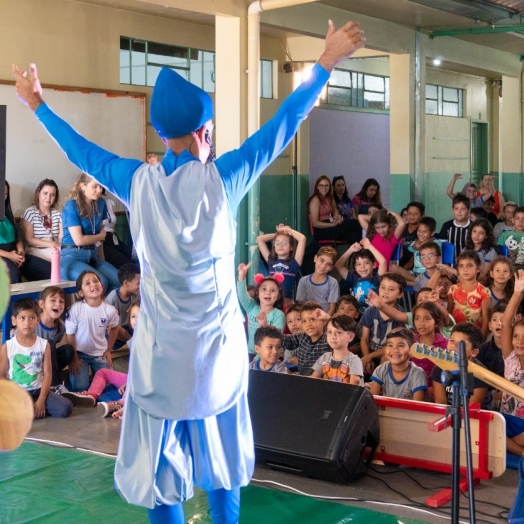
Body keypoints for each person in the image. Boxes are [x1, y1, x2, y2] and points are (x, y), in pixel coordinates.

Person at [13, 20, 366, 522]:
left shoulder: (135, 181)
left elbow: (81, 151)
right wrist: (326, 60)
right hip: (216, 354)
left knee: (162, 474)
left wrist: (37, 104)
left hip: (159, 356)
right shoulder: (225, 177)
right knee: (222, 469)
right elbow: (284, 122)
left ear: (161, 134)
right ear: (206, 132)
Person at [63, 299, 141, 418]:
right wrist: (129, 380)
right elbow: (135, 367)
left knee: (136, 388)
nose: (136, 320)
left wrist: (132, 382)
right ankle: (92, 396)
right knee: (102, 373)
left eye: (141, 316)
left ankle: (120, 404)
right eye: (133, 316)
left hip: (146, 382)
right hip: (133, 378)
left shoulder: (152, 340)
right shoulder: (134, 339)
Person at [0, 297, 72, 418]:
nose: (27, 323)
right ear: (14, 320)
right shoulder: (7, 346)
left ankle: (35, 408)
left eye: (31, 318)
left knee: (65, 408)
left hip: (39, 390)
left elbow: (48, 374)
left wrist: (41, 400)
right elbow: (2, 376)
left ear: (38, 320)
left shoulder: (44, 345)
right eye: (22, 318)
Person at [60, 174, 120, 292]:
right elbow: (79, 240)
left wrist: (102, 261)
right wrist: (100, 236)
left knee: (118, 280)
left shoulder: (101, 203)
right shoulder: (71, 205)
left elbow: (100, 240)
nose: (99, 190)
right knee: (101, 282)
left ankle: (108, 310)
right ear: (83, 186)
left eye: (101, 187)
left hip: (92, 254)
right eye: (95, 187)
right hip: (72, 256)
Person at [65, 270, 120, 391]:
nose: (93, 284)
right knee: (80, 387)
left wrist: (108, 350)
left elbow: (115, 328)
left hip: (100, 353)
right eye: (87, 283)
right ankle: (89, 376)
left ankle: (95, 375)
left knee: (108, 386)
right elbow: (70, 335)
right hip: (80, 354)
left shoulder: (110, 310)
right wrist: (74, 357)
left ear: (102, 286)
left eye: (96, 281)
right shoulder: (75, 309)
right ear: (81, 293)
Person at [431, 323, 490, 409]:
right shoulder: (439, 369)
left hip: (474, 419)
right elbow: (441, 404)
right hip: (448, 417)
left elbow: (471, 410)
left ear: (473, 352)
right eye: (451, 341)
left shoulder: (479, 375)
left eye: (461, 344)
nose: (454, 346)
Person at [359, 272, 406, 374]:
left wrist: (369, 356)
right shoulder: (370, 311)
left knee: (386, 359)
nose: (386, 292)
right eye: (383, 287)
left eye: (391, 289)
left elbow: (394, 346)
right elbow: (364, 339)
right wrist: (367, 358)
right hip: (369, 352)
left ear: (400, 294)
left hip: (388, 354)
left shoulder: (401, 315)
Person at [237, 263, 285, 361]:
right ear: (258, 293)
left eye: (273, 290)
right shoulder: (251, 307)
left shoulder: (279, 315)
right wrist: (242, 276)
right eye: (264, 289)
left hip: (270, 356)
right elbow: (242, 295)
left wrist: (264, 325)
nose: (268, 292)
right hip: (250, 353)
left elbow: (275, 339)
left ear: (278, 296)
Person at [500, 270, 524, 455]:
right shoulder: (511, 358)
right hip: (508, 421)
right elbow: (506, 323)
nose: (519, 341)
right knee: (492, 424)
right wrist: (517, 294)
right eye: (516, 337)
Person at [20, 178, 63, 281]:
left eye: (52, 195)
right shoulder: (30, 212)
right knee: (59, 266)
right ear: (38, 193)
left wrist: (56, 244)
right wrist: (52, 244)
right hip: (36, 250)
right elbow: (29, 240)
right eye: (45, 193)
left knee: (69, 261)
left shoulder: (58, 214)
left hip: (56, 248)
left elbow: (62, 236)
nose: (48, 197)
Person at [35, 286, 74, 393]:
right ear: (42, 304)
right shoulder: (32, 322)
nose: (58, 304)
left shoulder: (60, 326)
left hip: (47, 363)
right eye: (53, 300)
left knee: (68, 350)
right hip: (32, 362)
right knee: (48, 344)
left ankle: (50, 377)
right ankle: (55, 384)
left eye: (61, 301)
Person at [369, 328, 427, 401]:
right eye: (390, 345)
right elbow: (371, 401)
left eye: (401, 345)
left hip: (410, 412)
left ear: (411, 351)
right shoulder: (381, 369)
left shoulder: (417, 374)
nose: (395, 350)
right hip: (385, 411)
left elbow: (417, 407)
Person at [256, 223, 305, 303]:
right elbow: (260, 239)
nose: (280, 246)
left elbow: (302, 238)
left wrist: (288, 230)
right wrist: (278, 233)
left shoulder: (295, 262)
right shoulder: (271, 260)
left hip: (286, 302)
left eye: (284, 243)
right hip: (271, 303)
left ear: (291, 247)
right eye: (277, 243)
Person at [448, 250, 491, 338]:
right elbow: (449, 314)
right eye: (461, 266)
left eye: (469, 266)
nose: (465, 270)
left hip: (475, 336)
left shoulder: (484, 291)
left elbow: (486, 319)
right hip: (456, 333)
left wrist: (481, 340)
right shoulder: (453, 289)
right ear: (458, 270)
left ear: (478, 269)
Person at [336, 238, 386, 312]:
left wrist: (370, 247)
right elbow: (338, 266)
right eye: (358, 264)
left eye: (366, 263)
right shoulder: (353, 279)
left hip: (373, 318)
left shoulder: (377, 280)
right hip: (356, 317)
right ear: (355, 267)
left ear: (374, 265)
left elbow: (383, 262)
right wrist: (350, 250)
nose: (362, 267)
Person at [311, 314, 363, 385]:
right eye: (329, 332)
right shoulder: (324, 357)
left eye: (339, 332)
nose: (333, 336)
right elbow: (312, 381)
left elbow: (354, 388)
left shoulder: (354, 361)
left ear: (351, 337)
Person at [307, 175, 361, 245]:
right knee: (355, 222)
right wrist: (332, 225)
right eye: (321, 186)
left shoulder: (329, 198)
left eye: (327, 186)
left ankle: (355, 255)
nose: (324, 188)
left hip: (332, 225)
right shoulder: (315, 200)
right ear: (317, 187)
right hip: (321, 230)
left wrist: (338, 219)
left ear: (330, 187)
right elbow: (315, 223)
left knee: (354, 235)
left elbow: (335, 214)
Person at [281, 302, 331, 376]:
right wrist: (266, 327)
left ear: (322, 321)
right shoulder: (302, 336)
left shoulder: (328, 338)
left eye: (312, 319)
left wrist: (327, 317)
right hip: (303, 379)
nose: (308, 324)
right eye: (304, 321)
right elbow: (288, 341)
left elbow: (340, 328)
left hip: (321, 381)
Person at [391, 216, 441, 287]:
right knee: (392, 268)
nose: (420, 234)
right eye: (419, 231)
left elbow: (423, 246)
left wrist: (431, 238)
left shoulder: (437, 242)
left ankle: (415, 283)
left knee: (399, 282)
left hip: (429, 273)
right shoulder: (416, 242)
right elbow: (416, 247)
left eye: (424, 232)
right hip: (415, 273)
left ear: (432, 233)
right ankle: (419, 282)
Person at [296, 246, 339, 315]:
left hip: (325, 320)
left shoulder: (333, 283)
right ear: (315, 258)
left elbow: (332, 309)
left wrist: (324, 321)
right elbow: (301, 306)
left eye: (328, 264)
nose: (323, 266)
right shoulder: (303, 281)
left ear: (331, 267)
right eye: (322, 261)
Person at [105, 262, 140, 347]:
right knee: (115, 328)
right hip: (116, 333)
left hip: (130, 328)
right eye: (138, 283)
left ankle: (133, 342)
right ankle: (133, 343)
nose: (141, 286)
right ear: (126, 283)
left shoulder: (135, 295)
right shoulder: (112, 298)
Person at [101, 188, 135, 269]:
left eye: (100, 187)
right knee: (128, 266)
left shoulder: (106, 202)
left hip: (114, 238)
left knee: (137, 260)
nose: (99, 190)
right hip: (104, 241)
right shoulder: (91, 207)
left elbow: (112, 225)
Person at [0, 181, 25, 283]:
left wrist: (21, 250)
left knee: (45, 268)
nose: (2, 196)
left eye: (5, 193)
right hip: (2, 253)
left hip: (14, 251)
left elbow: (17, 237)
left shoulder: (8, 214)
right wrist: (9, 255)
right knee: (14, 274)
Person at [438, 194, 471, 261]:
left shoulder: (473, 227)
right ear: (452, 210)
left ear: (468, 210)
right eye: (456, 208)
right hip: (449, 262)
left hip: (469, 261)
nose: (459, 212)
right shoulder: (447, 226)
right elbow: (441, 246)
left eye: (463, 209)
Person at [478, 303, 505, 379]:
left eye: (503, 320)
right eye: (495, 320)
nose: (499, 323)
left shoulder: (517, 348)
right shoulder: (482, 350)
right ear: (490, 326)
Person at [398, 201, 425, 267]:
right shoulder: (402, 228)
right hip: (401, 262)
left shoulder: (423, 230)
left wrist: (410, 262)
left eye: (415, 214)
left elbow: (422, 249)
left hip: (418, 263)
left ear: (422, 215)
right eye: (410, 213)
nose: (412, 216)